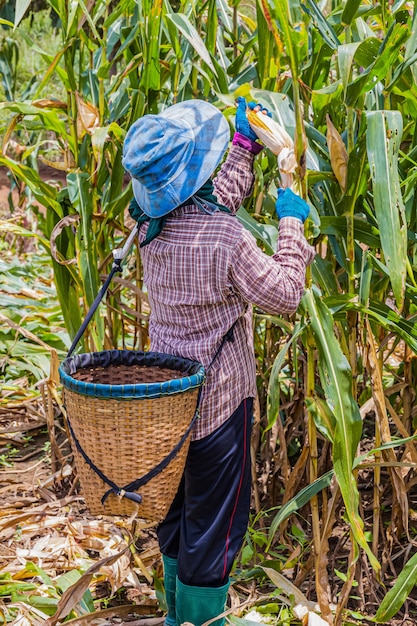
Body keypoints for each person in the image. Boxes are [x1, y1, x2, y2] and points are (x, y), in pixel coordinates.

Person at [122, 97, 315, 626]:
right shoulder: (226, 239)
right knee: (214, 527)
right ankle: (200, 620)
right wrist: (291, 220)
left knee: (176, 512)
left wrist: (245, 148)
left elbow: (207, 204)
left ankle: (173, 615)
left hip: (167, 403)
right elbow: (284, 293)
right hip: (218, 406)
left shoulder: (144, 224)